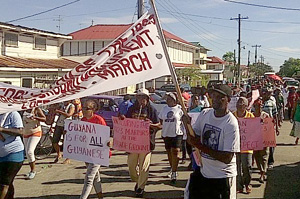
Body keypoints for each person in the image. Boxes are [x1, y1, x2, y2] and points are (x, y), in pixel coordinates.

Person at [186, 84, 240, 199]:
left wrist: (199, 145)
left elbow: (227, 157)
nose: (215, 99)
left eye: (220, 97)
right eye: (213, 96)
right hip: (204, 173)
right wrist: (187, 124)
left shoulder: (231, 123)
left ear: (228, 100)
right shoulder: (205, 114)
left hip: (222, 176)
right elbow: (193, 138)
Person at [124, 88, 160, 197]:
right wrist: (122, 120)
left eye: (143, 97)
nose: (141, 100)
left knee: (144, 167)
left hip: (146, 143)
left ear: (147, 99)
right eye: (139, 97)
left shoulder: (151, 110)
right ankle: (138, 181)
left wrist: (151, 125)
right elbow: (125, 121)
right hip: (133, 142)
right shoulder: (131, 108)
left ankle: (141, 187)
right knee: (131, 167)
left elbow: (159, 125)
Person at [79, 100, 109, 199]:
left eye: (86, 108)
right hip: (87, 153)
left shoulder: (99, 120)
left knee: (89, 177)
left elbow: (105, 137)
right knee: (95, 176)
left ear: (93, 110)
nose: (83, 110)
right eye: (83, 108)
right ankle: (100, 196)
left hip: (98, 153)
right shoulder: (82, 120)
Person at [158, 92, 183, 183]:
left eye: (170, 99)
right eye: (167, 99)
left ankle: (174, 172)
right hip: (166, 133)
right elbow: (161, 119)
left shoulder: (180, 109)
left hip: (177, 133)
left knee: (176, 151)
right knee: (169, 152)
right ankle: (172, 168)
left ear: (175, 100)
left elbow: (185, 119)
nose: (168, 101)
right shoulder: (164, 109)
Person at [0, 111, 24, 199]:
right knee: (8, 183)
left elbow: (20, 131)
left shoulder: (13, 114)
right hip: (1, 155)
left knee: (4, 183)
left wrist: (2, 129)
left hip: (13, 154)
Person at [233, 97, 254, 194]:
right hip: (235, 146)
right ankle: (239, 186)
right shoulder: (232, 116)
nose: (240, 105)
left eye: (242, 104)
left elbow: (255, 131)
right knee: (236, 167)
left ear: (246, 106)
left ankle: (247, 183)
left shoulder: (250, 116)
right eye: (239, 103)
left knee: (247, 166)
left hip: (247, 147)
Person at [22, 107, 46, 180]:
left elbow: (44, 119)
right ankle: (31, 169)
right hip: (26, 132)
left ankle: (33, 171)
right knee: (27, 152)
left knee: (30, 151)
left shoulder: (36, 109)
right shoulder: (23, 109)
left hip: (35, 132)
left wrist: (35, 117)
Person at [261, 88, 280, 169]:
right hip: (259, 126)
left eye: (270, 93)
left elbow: (275, 115)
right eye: (267, 93)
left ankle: (270, 162)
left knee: (271, 145)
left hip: (270, 125)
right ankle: (260, 164)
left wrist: (277, 127)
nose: (269, 95)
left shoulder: (272, 102)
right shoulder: (258, 102)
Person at [252, 97, 270, 183]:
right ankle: (261, 170)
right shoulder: (251, 115)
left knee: (264, 157)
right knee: (256, 156)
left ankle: (263, 173)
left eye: (260, 106)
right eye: (257, 106)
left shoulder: (265, 115)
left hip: (264, 139)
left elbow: (270, 127)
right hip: (254, 140)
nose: (258, 108)